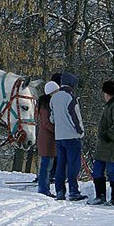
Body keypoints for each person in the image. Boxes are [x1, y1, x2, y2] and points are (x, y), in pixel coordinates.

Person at [87, 81, 114, 206]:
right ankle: (100, 196)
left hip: (112, 146)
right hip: (103, 146)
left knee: (112, 171)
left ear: (109, 93)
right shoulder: (110, 105)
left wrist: (108, 135)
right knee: (97, 170)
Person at [50, 72, 87, 201]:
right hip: (72, 136)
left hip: (59, 137)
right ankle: (73, 191)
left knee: (60, 164)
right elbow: (75, 117)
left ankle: (60, 191)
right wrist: (80, 131)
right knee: (73, 165)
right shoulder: (71, 97)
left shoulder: (54, 98)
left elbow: (52, 118)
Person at [37, 81, 59, 197]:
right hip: (47, 139)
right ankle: (43, 188)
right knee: (46, 164)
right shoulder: (46, 106)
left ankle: (45, 187)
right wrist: (57, 130)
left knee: (48, 164)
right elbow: (46, 123)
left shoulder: (49, 104)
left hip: (50, 139)